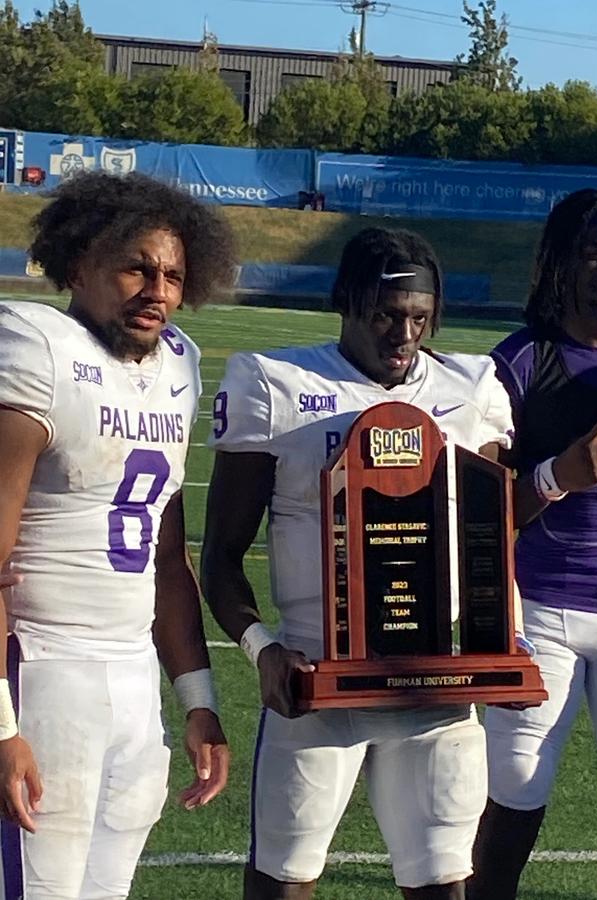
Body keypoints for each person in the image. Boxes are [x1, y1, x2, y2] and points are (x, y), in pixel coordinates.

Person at [201, 226, 518, 900]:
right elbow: (222, 554)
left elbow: (492, 536)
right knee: (283, 882)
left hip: (435, 681)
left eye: (419, 318)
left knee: (441, 883)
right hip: (318, 678)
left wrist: (496, 638)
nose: (403, 335)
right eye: (384, 315)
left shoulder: (472, 384)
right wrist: (261, 649)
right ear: (345, 303)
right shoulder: (275, 384)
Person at [0, 170, 235, 899]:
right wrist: (2, 727)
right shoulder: (35, 345)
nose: (155, 289)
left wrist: (197, 696)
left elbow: (169, 556)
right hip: (42, 665)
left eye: (171, 273)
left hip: (133, 676)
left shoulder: (178, 367)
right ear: (78, 265)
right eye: (134, 266)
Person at [467, 189, 597, 900]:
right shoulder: (518, 363)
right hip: (539, 609)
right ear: (562, 262)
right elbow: (480, 518)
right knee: (513, 794)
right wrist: (559, 475)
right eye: (594, 253)